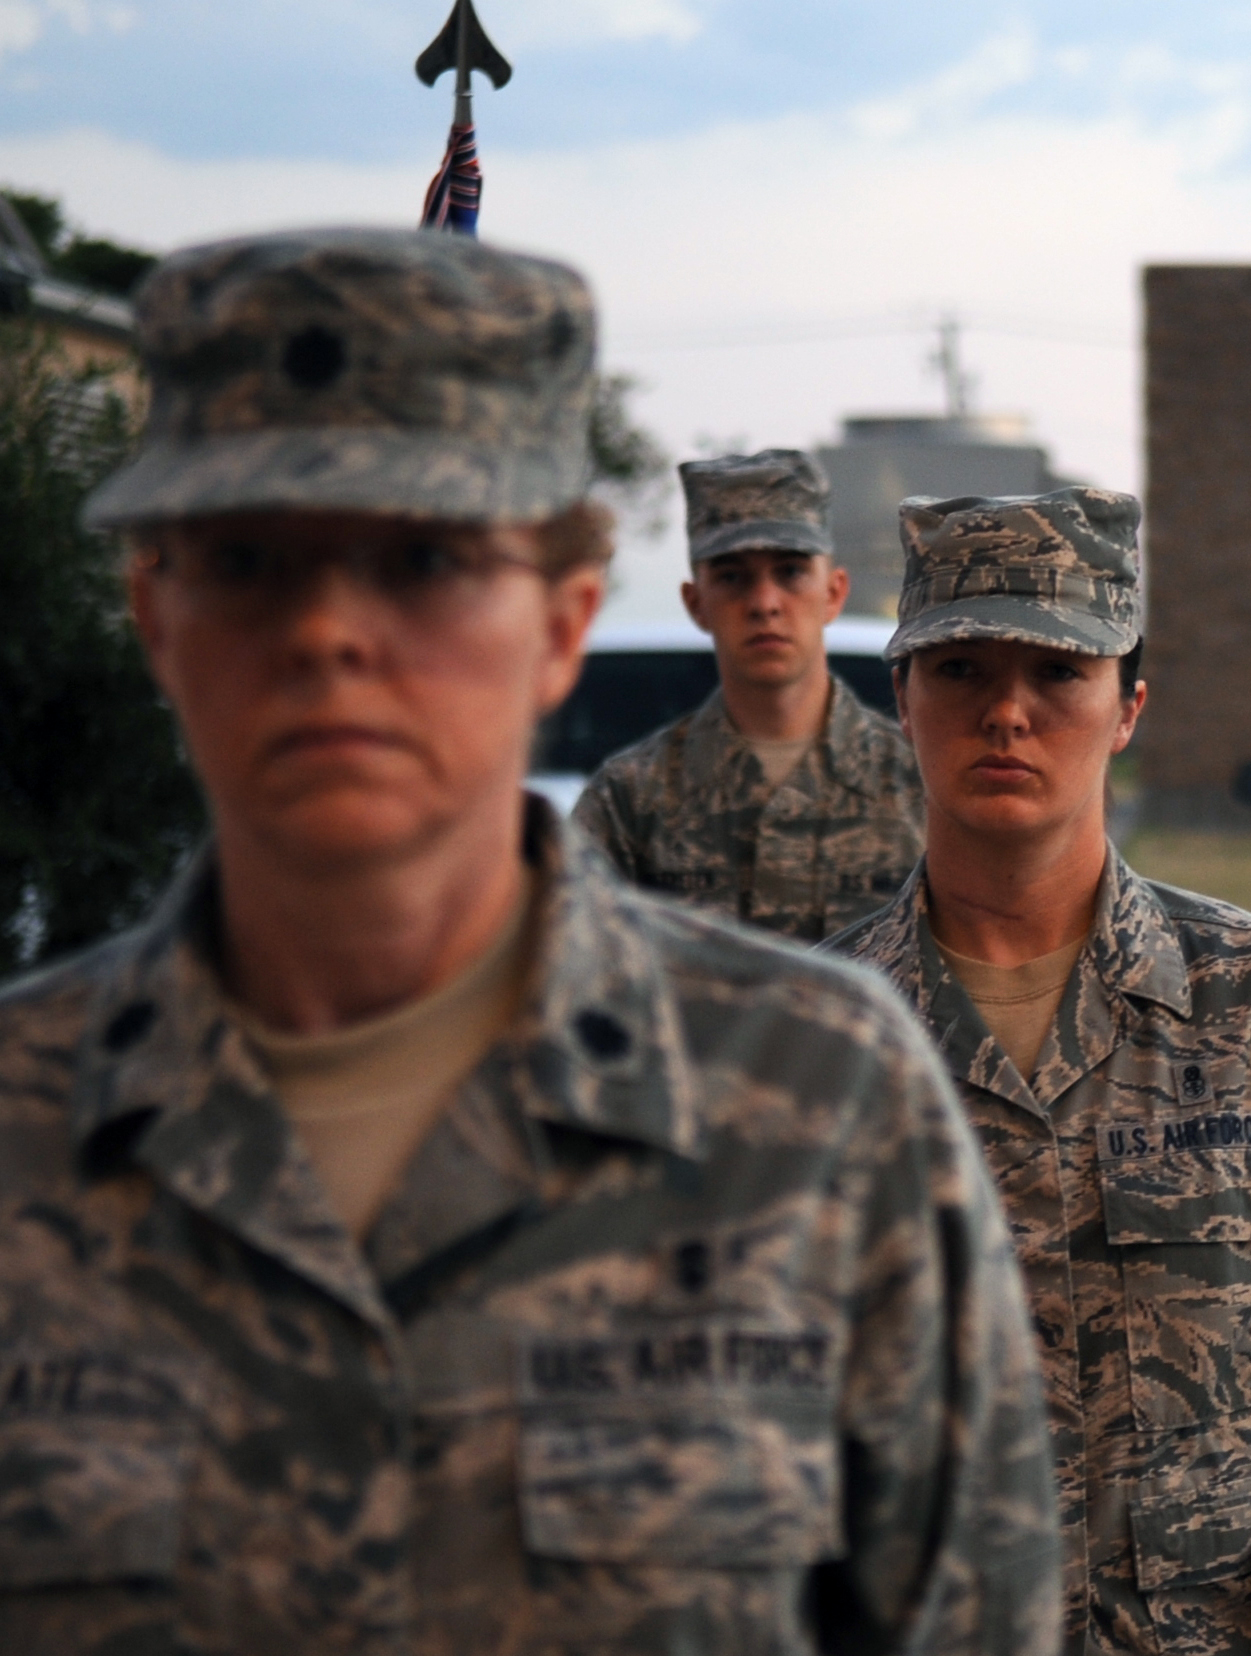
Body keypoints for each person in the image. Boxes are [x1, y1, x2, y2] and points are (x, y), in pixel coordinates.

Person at [0, 227, 1058, 1651]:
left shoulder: (823, 1110)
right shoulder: (24, 1124)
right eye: (249, 559)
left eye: (425, 560)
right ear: (153, 612)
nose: (325, 630)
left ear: (564, 618)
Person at [824, 489, 1251, 1656]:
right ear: (902, 699)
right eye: (964, 669)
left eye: (1059, 675)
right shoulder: (810, 1046)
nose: (1008, 714)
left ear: (1128, 707)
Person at [573, 448, 926, 942]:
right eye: (733, 576)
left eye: (790, 572)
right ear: (696, 604)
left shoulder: (921, 789)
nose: (764, 603)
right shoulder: (628, 802)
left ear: (833, 593)